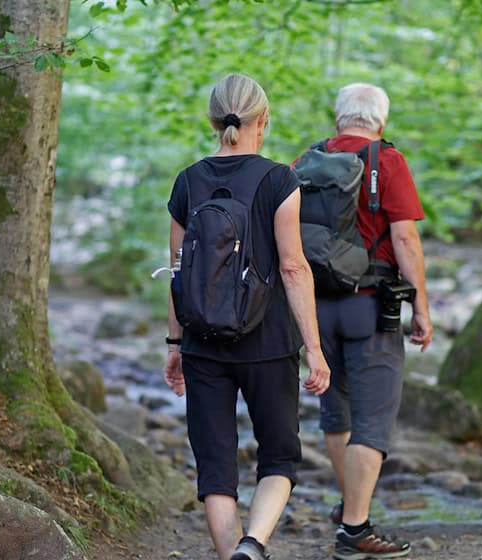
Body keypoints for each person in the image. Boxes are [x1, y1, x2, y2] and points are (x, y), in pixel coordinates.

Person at [162, 73, 331, 560]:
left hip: (201, 344)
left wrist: (174, 345)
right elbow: (294, 267)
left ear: (214, 120)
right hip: (270, 342)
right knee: (279, 455)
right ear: (264, 119)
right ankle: (253, 544)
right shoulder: (279, 179)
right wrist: (315, 350)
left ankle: (233, 553)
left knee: (215, 466)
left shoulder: (187, 181)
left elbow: (177, 271)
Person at [301, 83, 433, 560]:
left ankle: (350, 508)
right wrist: (420, 305)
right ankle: (354, 529)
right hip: (370, 305)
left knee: (337, 415)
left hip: (315, 306)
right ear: (381, 120)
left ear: (339, 118)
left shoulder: (309, 159)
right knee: (373, 421)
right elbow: (406, 240)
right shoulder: (387, 161)